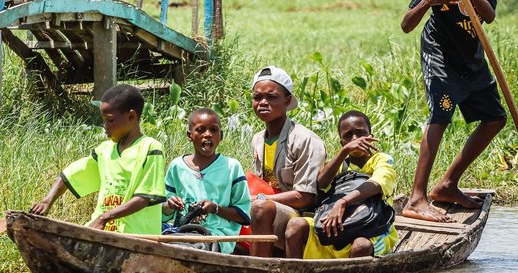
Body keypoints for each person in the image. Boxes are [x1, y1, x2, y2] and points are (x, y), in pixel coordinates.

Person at [400, 0, 506, 222]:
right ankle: (417, 198)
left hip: (471, 57)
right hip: (440, 57)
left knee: (495, 118)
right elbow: (407, 25)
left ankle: (447, 184)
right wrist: (429, 0)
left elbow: (488, 14)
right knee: (440, 116)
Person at [30, 83, 166, 234]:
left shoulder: (150, 148)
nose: (105, 125)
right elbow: (71, 175)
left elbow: (143, 198)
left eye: (110, 120)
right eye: (104, 120)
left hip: (138, 237)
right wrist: (47, 200)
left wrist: (104, 218)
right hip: (103, 234)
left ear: (131, 116)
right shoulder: (104, 151)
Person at [247, 66, 326, 258]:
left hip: (301, 216)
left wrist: (260, 200)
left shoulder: (305, 139)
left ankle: (258, 268)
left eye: (271, 97)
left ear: (287, 100)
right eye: (257, 97)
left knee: (259, 207)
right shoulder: (258, 139)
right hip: (269, 209)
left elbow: (305, 197)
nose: (263, 102)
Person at [307, 110, 399, 259]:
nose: (355, 139)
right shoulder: (340, 164)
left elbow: (376, 184)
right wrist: (344, 152)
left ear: (371, 137)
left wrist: (343, 202)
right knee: (296, 226)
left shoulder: (381, 159)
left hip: (374, 228)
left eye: (360, 133)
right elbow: (321, 184)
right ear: (342, 142)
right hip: (339, 227)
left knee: (361, 246)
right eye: (348, 136)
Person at [162, 107, 252, 253]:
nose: (208, 135)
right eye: (201, 130)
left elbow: (243, 215)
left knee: (199, 248)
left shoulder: (231, 167)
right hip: (181, 231)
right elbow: (163, 213)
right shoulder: (177, 167)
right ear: (189, 135)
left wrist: (215, 208)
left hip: (217, 236)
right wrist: (169, 205)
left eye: (214, 130)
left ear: (221, 135)